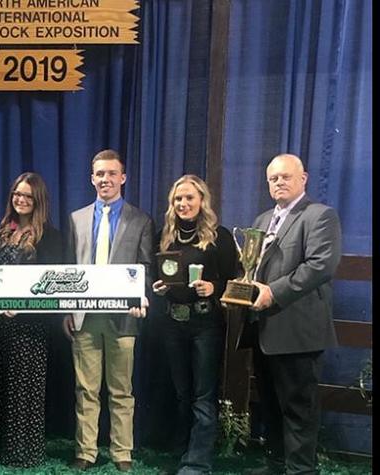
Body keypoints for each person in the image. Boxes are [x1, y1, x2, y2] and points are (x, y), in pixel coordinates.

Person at [239, 154, 342, 475]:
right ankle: (276, 465)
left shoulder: (320, 215)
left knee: (299, 411)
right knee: (270, 407)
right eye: (273, 178)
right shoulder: (261, 220)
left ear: (304, 178)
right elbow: (251, 269)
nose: (279, 182)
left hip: (297, 332)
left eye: (286, 176)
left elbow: (320, 265)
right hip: (264, 330)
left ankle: (301, 471)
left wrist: (273, 292)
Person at [62, 149, 154, 472]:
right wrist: (67, 311)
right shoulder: (76, 218)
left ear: (123, 178)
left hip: (123, 318)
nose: (106, 179)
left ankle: (121, 452)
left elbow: (145, 268)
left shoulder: (141, 220)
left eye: (111, 174)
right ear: (92, 178)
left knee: (121, 389)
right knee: (85, 389)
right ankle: (85, 452)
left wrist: (140, 297)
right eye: (100, 174)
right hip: (84, 316)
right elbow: (71, 269)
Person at [151, 175, 239, 475]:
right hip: (173, 321)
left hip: (206, 324)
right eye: (178, 199)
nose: (183, 204)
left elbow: (237, 279)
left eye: (189, 198)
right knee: (181, 393)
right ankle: (181, 451)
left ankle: (197, 462)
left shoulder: (220, 236)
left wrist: (214, 288)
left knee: (203, 395)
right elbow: (156, 275)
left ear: (202, 200)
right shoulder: (164, 235)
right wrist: (158, 288)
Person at [0, 172, 64, 467]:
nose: (21, 200)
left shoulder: (50, 236)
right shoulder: (2, 232)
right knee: (2, 382)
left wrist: (22, 307)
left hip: (30, 323)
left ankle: (22, 452)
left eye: (28, 196)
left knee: (24, 386)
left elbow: (51, 283)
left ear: (38, 200)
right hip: (1, 322)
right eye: (17, 194)